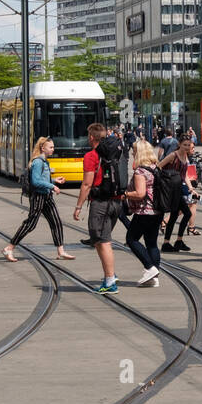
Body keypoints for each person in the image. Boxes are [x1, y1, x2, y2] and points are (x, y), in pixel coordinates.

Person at [4, 137, 76, 263]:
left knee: (56, 222)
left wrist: (54, 181)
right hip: (38, 197)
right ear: (43, 148)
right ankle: (9, 248)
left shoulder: (45, 162)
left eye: (53, 147)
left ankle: (61, 251)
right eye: (51, 147)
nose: (53, 149)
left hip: (47, 196)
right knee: (30, 224)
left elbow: (42, 179)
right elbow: (36, 181)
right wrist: (52, 186)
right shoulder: (38, 162)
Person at [74, 123, 123, 293]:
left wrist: (78, 206)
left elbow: (87, 183)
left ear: (92, 137)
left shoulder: (91, 156)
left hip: (101, 203)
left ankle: (110, 281)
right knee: (102, 240)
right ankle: (110, 274)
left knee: (102, 242)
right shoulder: (116, 152)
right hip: (117, 202)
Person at [121, 139, 163, 287]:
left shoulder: (141, 171)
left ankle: (149, 268)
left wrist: (126, 194)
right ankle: (154, 278)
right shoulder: (156, 167)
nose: (132, 153)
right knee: (151, 243)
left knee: (131, 239)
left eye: (134, 151)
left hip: (145, 211)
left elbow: (140, 193)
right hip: (158, 211)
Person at [160, 137, 197, 252]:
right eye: (185, 145)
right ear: (179, 144)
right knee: (186, 213)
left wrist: (191, 188)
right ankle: (177, 241)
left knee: (176, 215)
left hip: (178, 189)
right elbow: (159, 166)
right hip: (171, 190)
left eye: (188, 145)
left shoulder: (185, 156)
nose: (187, 147)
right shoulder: (173, 156)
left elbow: (184, 174)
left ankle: (170, 242)